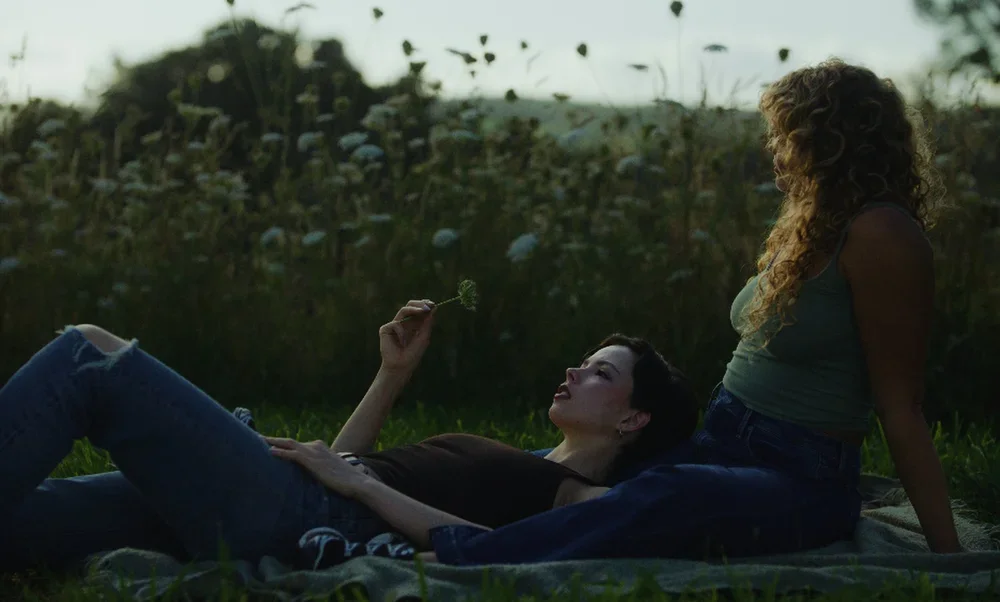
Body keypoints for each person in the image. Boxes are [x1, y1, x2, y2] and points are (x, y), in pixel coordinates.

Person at [414, 58, 963, 566]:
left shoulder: (884, 234)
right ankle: (375, 498)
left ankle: (460, 557)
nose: (774, 148)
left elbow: (901, 408)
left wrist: (948, 556)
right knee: (530, 469)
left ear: (832, 141)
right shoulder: (811, 222)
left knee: (670, 495)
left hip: (800, 476)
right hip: (719, 442)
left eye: (787, 134)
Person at [0, 301, 699, 572]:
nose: (574, 371)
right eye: (583, 361)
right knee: (27, 520)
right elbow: (346, 463)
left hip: (297, 512)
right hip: (293, 493)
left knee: (92, 355)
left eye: (601, 373)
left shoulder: (584, 496)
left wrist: (360, 486)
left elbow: (502, 551)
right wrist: (393, 375)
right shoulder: (525, 458)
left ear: (632, 419)